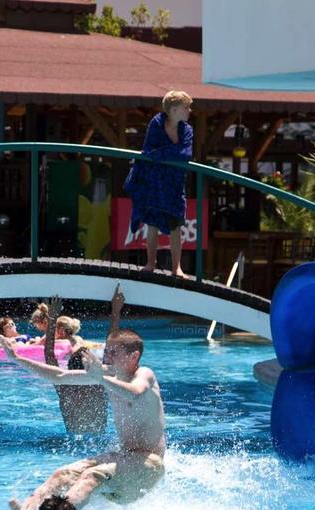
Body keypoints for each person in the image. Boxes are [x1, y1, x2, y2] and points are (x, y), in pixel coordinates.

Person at [0, 325, 165, 510]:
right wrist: (16, 358)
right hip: (125, 460)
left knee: (92, 475)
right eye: (106, 351)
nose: (106, 356)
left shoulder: (144, 374)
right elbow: (60, 375)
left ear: (134, 356)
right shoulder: (108, 374)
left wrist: (100, 378)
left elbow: (134, 393)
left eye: (113, 352)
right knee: (62, 475)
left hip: (148, 465)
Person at [125, 90, 193, 277]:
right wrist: (168, 152)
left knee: (175, 225)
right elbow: (150, 150)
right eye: (186, 107)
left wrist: (160, 154)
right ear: (174, 110)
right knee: (152, 223)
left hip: (175, 183)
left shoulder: (187, 130)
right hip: (154, 182)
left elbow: (185, 154)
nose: (189, 111)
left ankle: (176, 267)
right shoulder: (156, 124)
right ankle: (150, 263)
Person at [43, 285, 125, 434]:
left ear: (69, 368)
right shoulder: (101, 382)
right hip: (99, 446)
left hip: (70, 446)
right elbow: (111, 346)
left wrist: (52, 318)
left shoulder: (65, 387)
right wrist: (115, 311)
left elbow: (49, 355)